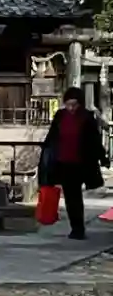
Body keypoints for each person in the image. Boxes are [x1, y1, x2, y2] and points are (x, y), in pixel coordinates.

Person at [39, 88, 106, 241]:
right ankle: (76, 227)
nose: (71, 108)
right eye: (68, 105)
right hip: (63, 162)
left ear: (80, 104)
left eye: (74, 105)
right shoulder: (60, 116)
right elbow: (52, 137)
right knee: (71, 197)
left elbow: (94, 140)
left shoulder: (87, 118)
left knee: (75, 196)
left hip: (81, 162)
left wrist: (102, 157)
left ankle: (78, 228)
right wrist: (46, 155)